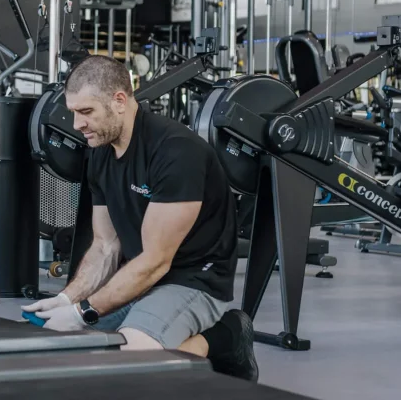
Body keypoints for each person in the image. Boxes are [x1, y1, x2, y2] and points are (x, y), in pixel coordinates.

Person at [21, 55, 257, 381]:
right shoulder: (99, 150)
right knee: (47, 343)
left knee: (132, 361)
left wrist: (83, 312)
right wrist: (66, 299)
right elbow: (105, 245)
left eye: (86, 112)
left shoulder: (176, 151)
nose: (76, 124)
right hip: (138, 277)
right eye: (74, 112)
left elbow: (156, 261)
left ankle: (225, 338)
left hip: (193, 280)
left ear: (119, 100)